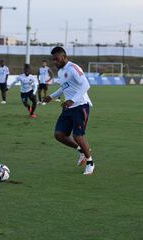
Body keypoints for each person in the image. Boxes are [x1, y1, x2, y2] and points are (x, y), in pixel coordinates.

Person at [43, 46, 94, 175]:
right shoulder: (61, 71)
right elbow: (64, 87)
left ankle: (90, 162)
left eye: (57, 59)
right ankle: (81, 151)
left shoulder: (73, 68)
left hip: (81, 105)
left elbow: (86, 85)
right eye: (53, 60)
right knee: (59, 135)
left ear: (64, 57)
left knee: (78, 136)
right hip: (68, 107)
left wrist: (72, 100)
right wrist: (51, 97)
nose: (55, 62)